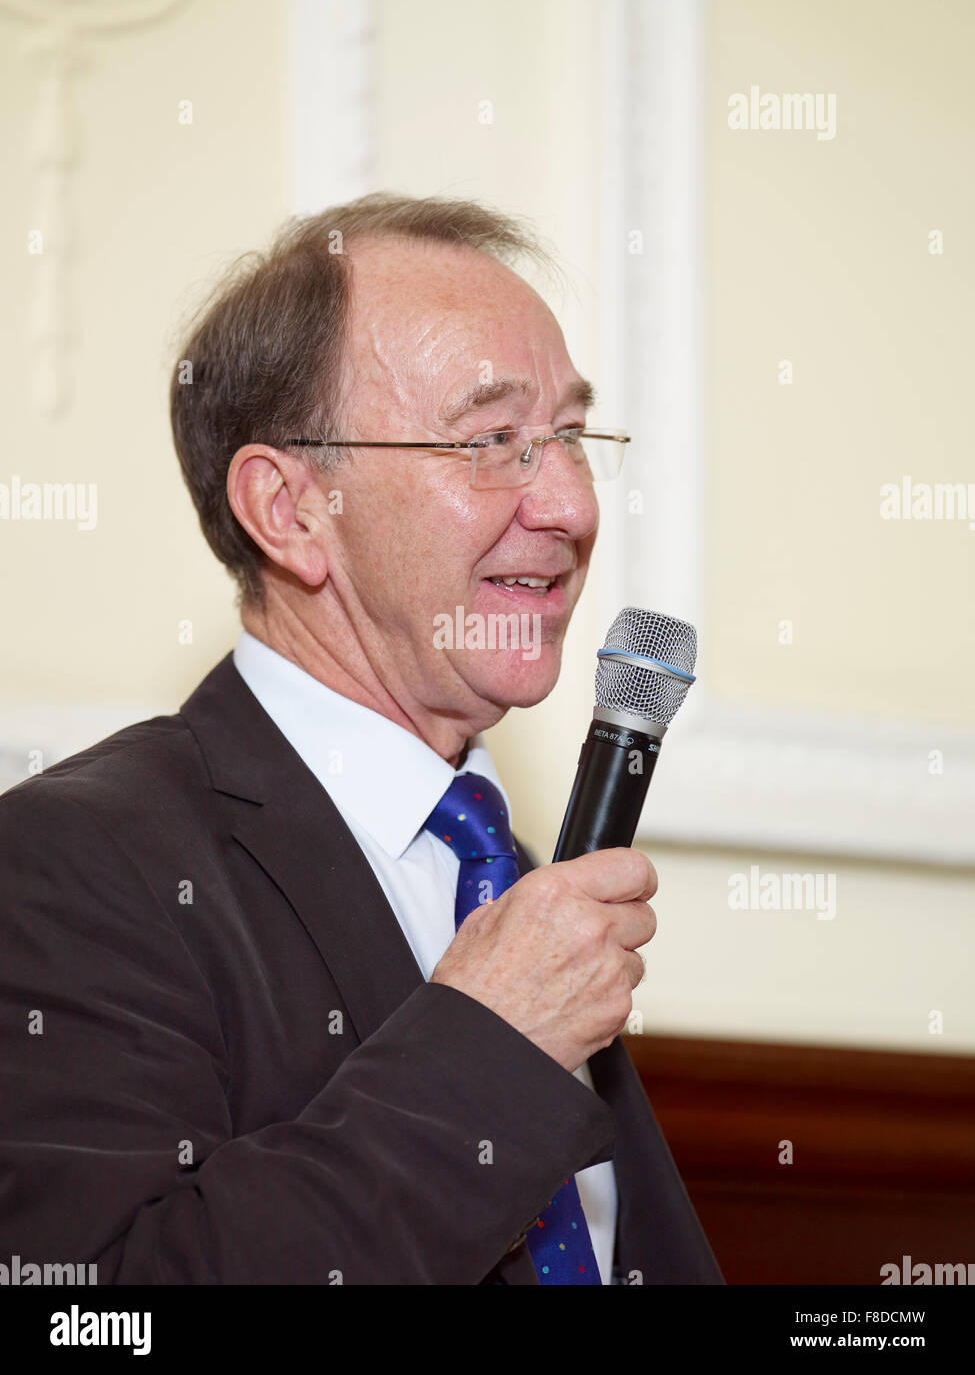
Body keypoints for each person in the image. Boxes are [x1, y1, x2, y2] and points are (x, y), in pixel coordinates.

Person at [0, 194, 722, 1286]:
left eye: (571, 436)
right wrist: (488, 1052)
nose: (571, 504)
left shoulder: (513, 881)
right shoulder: (73, 865)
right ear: (289, 509)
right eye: (493, 441)